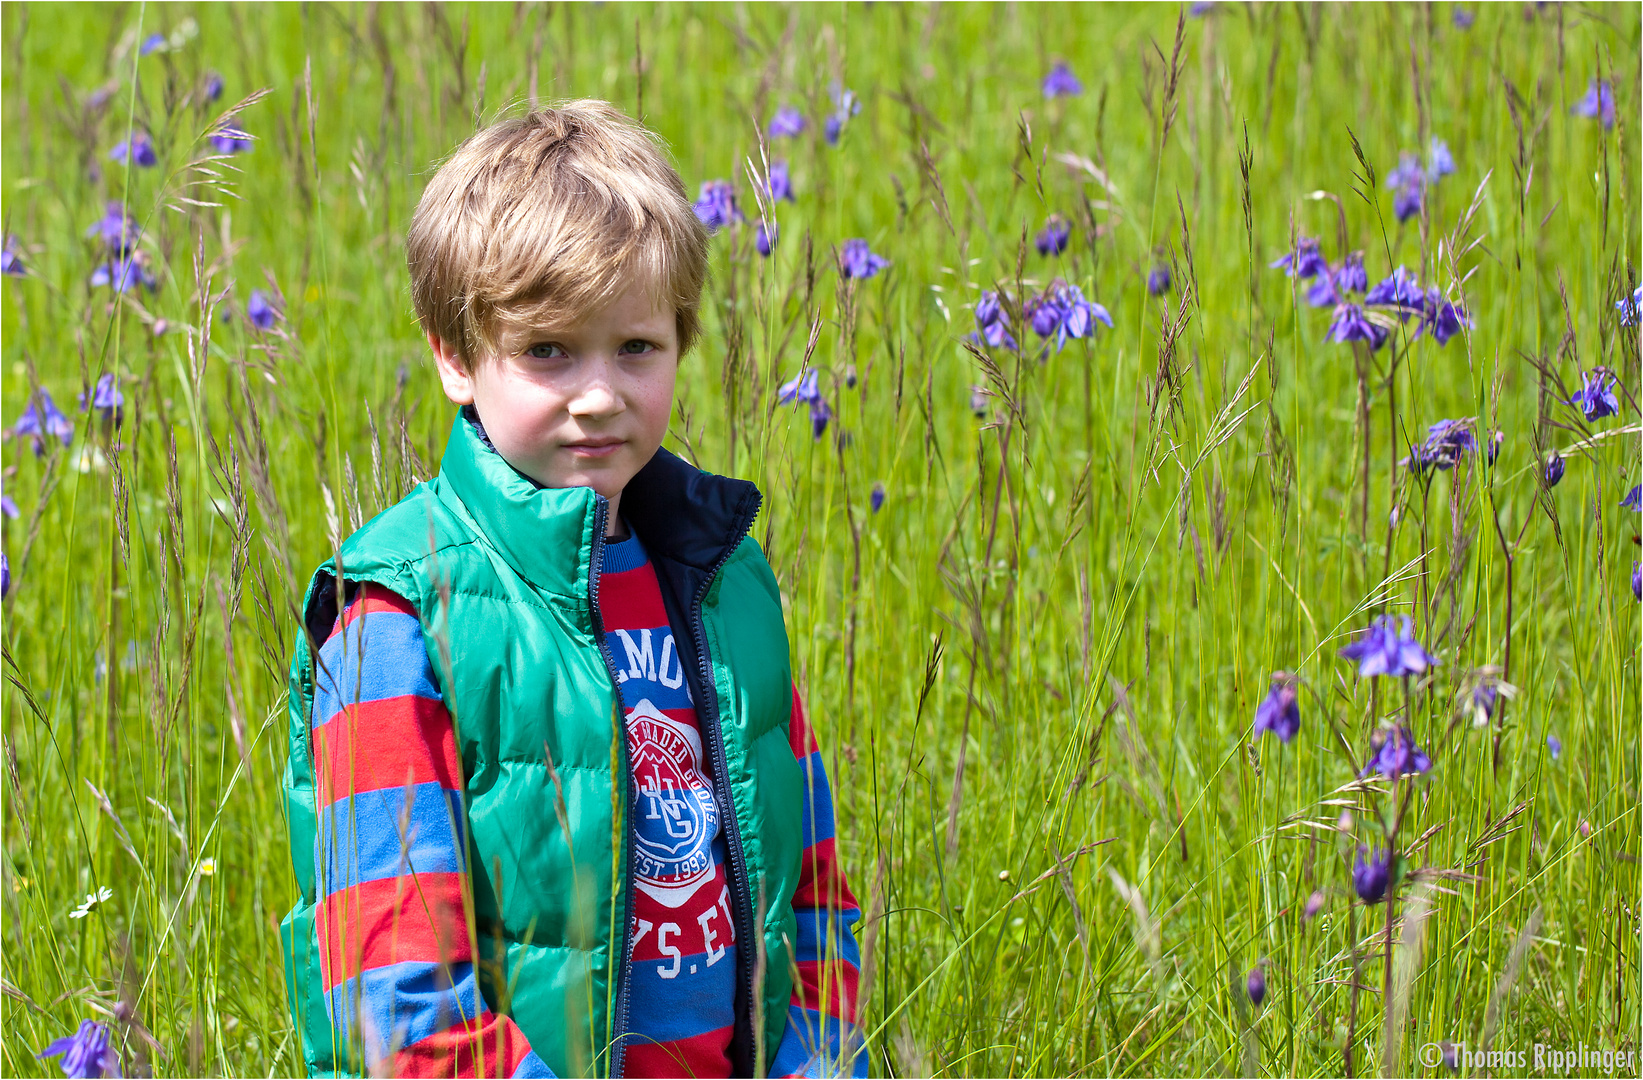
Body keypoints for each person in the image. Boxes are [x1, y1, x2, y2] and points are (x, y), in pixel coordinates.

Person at [279, 100, 864, 1079]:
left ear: (680, 341)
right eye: (549, 350)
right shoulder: (396, 613)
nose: (599, 393)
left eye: (636, 348)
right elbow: (390, 986)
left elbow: (812, 896)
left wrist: (820, 1063)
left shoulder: (724, 580)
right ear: (455, 355)